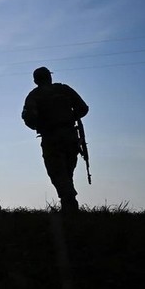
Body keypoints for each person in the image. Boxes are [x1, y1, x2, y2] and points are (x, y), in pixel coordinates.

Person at [21, 66, 89, 213]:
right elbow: (83, 108)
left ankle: (69, 203)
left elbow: (29, 119)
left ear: (35, 80)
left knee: (57, 172)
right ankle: (69, 205)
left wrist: (42, 124)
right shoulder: (64, 89)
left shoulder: (34, 96)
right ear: (49, 77)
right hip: (70, 136)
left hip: (51, 138)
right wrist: (69, 117)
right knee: (67, 171)